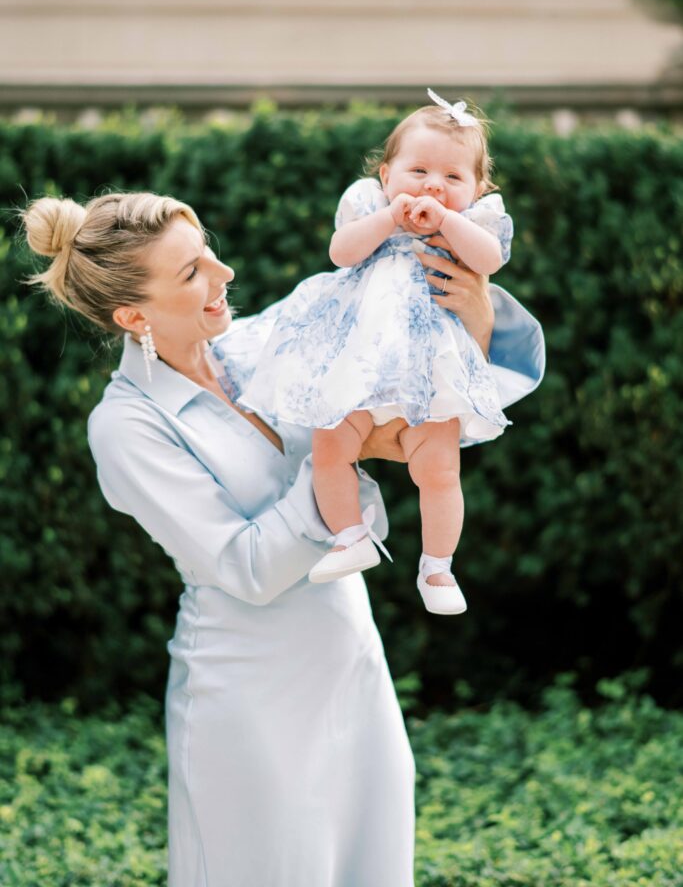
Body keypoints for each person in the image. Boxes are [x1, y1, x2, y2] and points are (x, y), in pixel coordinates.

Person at [22, 185, 543, 887]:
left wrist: (475, 315)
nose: (223, 274)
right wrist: (343, 455)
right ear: (130, 315)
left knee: (374, 865)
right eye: (191, 272)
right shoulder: (127, 425)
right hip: (247, 696)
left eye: (207, 251)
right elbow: (247, 567)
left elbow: (420, 382)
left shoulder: (265, 341)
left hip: (349, 659)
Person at [239, 90, 541, 617]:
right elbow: (340, 252)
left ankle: (438, 565)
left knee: (440, 469)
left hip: (430, 378)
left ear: (478, 191)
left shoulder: (472, 224)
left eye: (453, 178)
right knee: (331, 447)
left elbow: (490, 259)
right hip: (358, 370)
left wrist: (447, 221)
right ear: (385, 177)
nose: (432, 185)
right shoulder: (369, 209)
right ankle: (350, 536)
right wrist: (389, 221)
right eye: (418, 170)